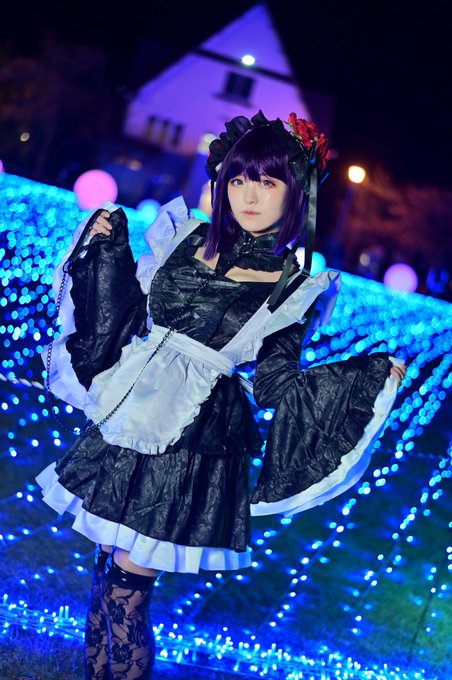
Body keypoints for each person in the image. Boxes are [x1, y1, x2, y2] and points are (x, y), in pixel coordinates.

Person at [36, 110, 405, 679]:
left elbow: (277, 384)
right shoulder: (184, 239)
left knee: (126, 590)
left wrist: (363, 378)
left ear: (296, 192)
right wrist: (107, 250)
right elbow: (128, 315)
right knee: (105, 575)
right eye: (238, 179)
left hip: (192, 443)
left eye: (267, 181)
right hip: (128, 416)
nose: (249, 196)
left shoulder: (292, 286)